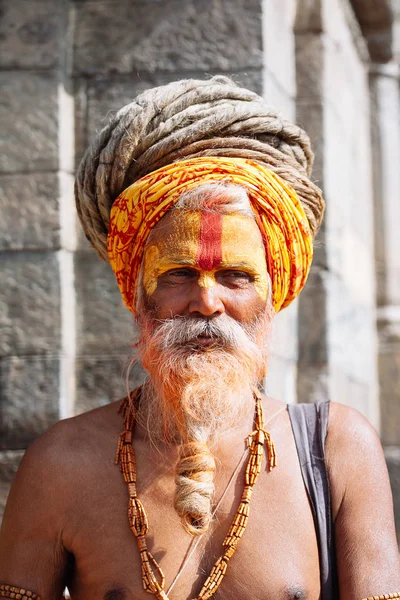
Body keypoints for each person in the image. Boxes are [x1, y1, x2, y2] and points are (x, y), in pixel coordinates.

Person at [0, 76, 399, 600]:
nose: (207, 302)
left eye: (237, 276)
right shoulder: (60, 464)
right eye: (179, 274)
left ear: (272, 297)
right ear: (138, 296)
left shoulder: (337, 450)